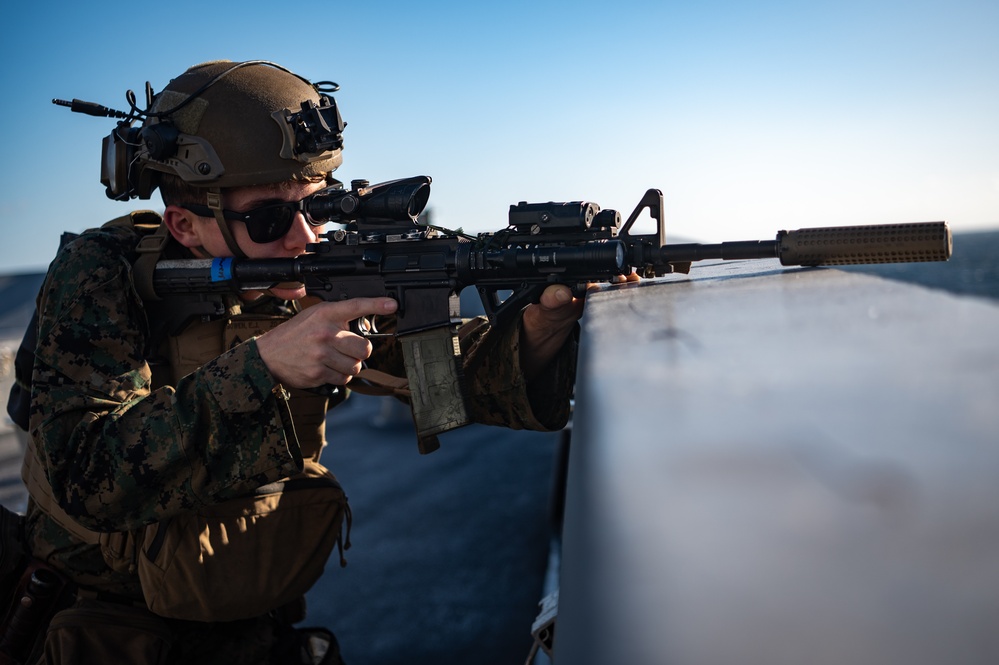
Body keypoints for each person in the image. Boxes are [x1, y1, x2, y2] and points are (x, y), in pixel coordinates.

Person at [1, 60, 584, 664]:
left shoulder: (309, 271)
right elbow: (85, 479)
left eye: (317, 207)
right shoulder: (101, 275)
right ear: (185, 224)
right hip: (107, 634)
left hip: (255, 625)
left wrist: (542, 325)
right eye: (270, 218)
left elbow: (443, 377)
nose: (304, 237)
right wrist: (262, 368)